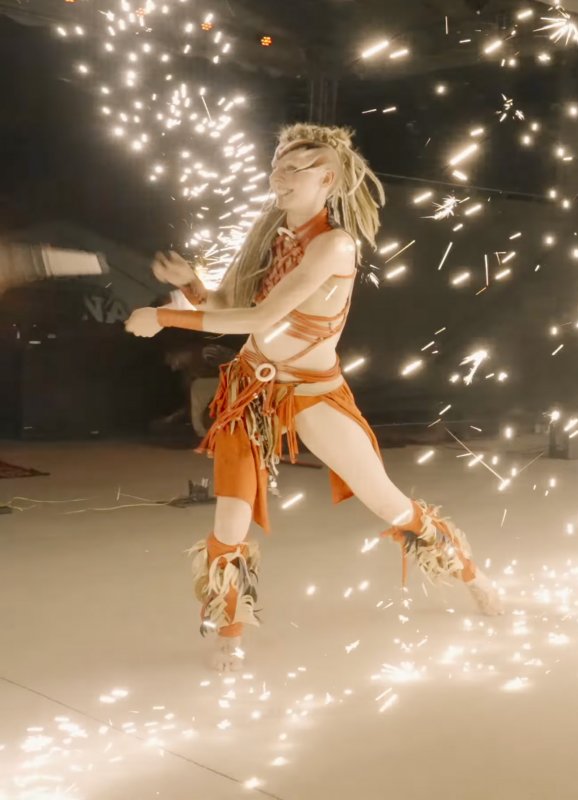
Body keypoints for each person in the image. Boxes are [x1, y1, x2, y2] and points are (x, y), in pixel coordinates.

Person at [126, 123, 504, 671]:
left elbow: (261, 317)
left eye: (293, 169)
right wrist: (190, 285)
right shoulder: (269, 234)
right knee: (230, 520)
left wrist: (165, 317)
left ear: (327, 179)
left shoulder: (334, 245)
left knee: (387, 502)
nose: (278, 177)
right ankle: (230, 632)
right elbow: (230, 305)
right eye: (275, 166)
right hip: (251, 391)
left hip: (314, 393)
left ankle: (471, 574)